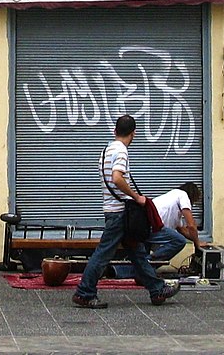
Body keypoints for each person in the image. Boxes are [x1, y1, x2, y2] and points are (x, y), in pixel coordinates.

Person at [72, 114, 180, 308]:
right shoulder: (121, 151)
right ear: (133, 134)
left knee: (137, 252)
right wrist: (136, 197)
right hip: (121, 213)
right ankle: (84, 292)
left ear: (115, 131)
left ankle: (157, 290)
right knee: (103, 253)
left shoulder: (107, 150)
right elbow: (117, 177)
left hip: (112, 210)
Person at [148, 182, 208, 262]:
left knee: (140, 261)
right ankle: (148, 263)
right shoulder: (183, 196)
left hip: (144, 227)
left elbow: (181, 230)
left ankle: (144, 268)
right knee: (179, 241)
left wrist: (196, 239)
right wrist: (197, 243)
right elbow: (191, 225)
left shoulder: (173, 196)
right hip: (152, 228)